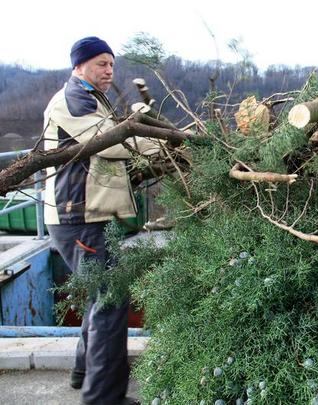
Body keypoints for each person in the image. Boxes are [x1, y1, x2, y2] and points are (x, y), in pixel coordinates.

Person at [43, 36, 163, 405]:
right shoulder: (74, 100)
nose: (109, 70)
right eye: (100, 64)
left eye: (111, 64)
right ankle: (103, 398)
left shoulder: (91, 98)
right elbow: (109, 142)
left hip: (86, 216)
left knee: (100, 297)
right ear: (79, 66)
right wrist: (164, 141)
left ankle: (85, 375)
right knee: (110, 300)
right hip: (79, 217)